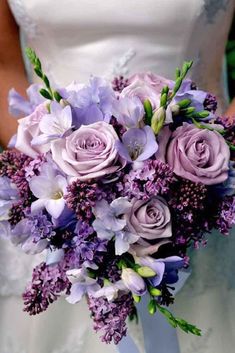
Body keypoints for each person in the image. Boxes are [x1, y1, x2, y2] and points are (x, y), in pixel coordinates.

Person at [0, 1, 234, 352]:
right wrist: (57, 171)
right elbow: (4, 66)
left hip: (201, 199)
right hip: (53, 213)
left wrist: (196, 166)